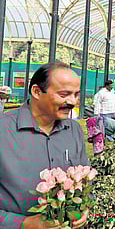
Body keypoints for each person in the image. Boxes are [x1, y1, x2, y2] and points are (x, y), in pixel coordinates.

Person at [0, 62, 90, 229]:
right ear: (36, 92)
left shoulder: (73, 130)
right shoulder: (3, 130)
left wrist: (83, 208)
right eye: (64, 94)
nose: (72, 102)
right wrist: (24, 223)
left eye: (76, 95)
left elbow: (85, 183)